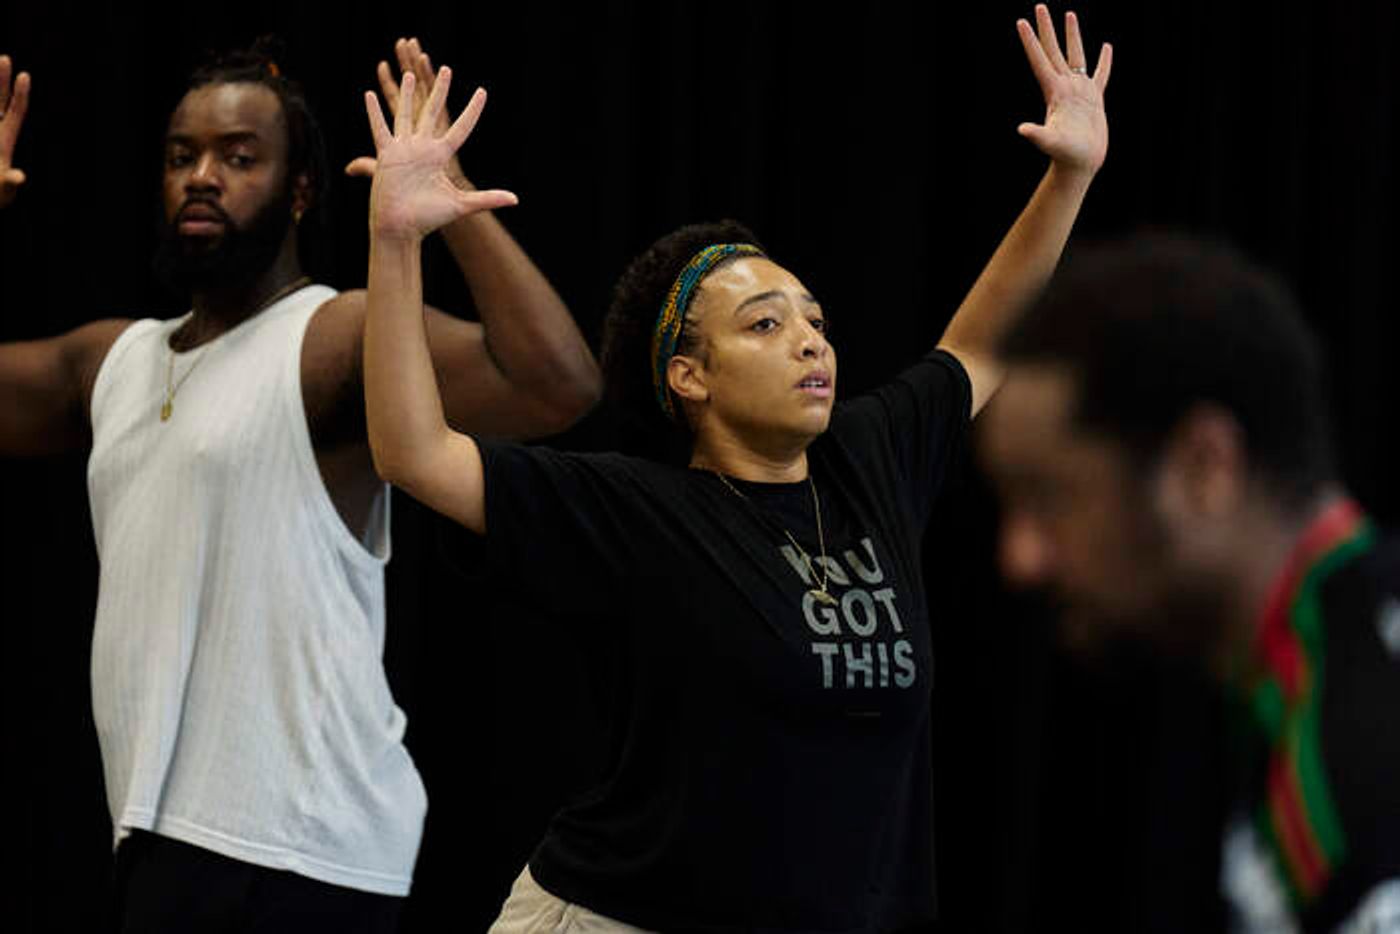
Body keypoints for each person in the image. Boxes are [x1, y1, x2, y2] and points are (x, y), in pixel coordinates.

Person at [360, 5, 1109, 931]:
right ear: (690, 376)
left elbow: (984, 343)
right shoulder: (637, 509)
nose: (808, 342)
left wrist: (1068, 177)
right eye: (765, 325)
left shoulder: (867, 461)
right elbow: (413, 452)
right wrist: (395, 243)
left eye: (813, 320)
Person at [0, 38, 599, 930]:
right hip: (156, 834)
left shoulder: (330, 338)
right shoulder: (111, 361)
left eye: (240, 157)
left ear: (302, 190)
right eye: (181, 156)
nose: (203, 176)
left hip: (301, 845)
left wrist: (452, 208)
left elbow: (555, 386)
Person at [979, 234, 1400, 932]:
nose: (1019, 557)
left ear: (1206, 465)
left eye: (1048, 497)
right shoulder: (1309, 674)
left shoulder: (1358, 754)